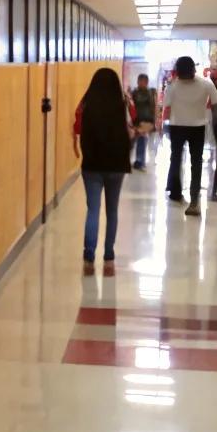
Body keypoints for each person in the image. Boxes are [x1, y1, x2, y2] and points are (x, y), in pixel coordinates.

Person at [73, 68, 133, 276]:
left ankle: (89, 257)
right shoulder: (122, 104)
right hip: (116, 166)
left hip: (92, 166)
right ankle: (109, 256)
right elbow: (130, 130)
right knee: (112, 211)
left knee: (93, 210)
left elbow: (79, 129)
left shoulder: (87, 104)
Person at [163, 55, 217, 216]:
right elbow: (216, 103)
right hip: (197, 127)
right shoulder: (206, 84)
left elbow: (166, 105)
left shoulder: (172, 86)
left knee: (175, 160)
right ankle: (194, 202)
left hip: (178, 127)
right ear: (193, 69)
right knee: (196, 164)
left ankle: (175, 192)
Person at [129, 73, 157, 169]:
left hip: (145, 121)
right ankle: (136, 161)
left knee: (142, 140)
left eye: (142, 81)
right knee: (132, 141)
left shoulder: (148, 93)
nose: (140, 83)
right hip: (136, 120)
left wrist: (153, 122)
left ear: (146, 82)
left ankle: (140, 162)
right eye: (139, 81)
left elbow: (152, 107)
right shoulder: (135, 92)